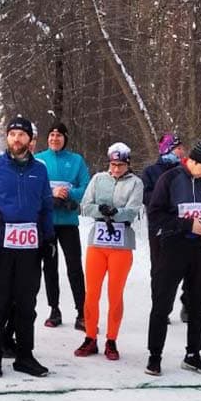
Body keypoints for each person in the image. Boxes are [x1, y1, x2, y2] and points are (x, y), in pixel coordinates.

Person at [0, 116, 55, 378]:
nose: (17, 139)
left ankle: (24, 356)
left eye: (22, 135)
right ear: (7, 138)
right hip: (1, 244)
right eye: (12, 135)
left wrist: (48, 239)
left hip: (30, 248)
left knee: (26, 305)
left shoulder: (40, 170)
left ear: (30, 140)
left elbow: (45, 207)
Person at [145, 139, 201, 376]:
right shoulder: (169, 179)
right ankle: (154, 355)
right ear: (192, 161)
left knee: (199, 304)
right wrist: (187, 225)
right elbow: (155, 215)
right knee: (162, 303)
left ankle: (193, 354)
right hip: (170, 247)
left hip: (198, 249)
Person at [73, 142, 144, 361]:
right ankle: (90, 337)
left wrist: (116, 212)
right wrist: (101, 210)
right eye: (113, 165)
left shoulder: (135, 183)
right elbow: (85, 206)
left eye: (120, 165)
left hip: (121, 244)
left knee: (115, 294)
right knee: (91, 293)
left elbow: (132, 211)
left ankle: (111, 340)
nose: (115, 170)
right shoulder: (98, 179)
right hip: (98, 242)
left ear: (127, 164)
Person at [36, 122, 91, 329]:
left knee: (74, 267)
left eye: (59, 135)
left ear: (65, 138)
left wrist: (68, 194)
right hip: (47, 223)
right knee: (50, 268)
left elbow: (86, 185)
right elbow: (32, 186)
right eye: (51, 135)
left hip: (68, 222)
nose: (55, 139)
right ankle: (54, 310)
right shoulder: (39, 160)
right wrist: (51, 194)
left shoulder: (76, 160)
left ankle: (81, 312)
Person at [143, 132, 191, 321]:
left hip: (182, 226)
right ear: (167, 149)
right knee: (159, 269)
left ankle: (187, 304)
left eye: (182, 148)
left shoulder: (186, 170)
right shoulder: (151, 171)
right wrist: (165, 199)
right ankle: (160, 307)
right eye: (178, 148)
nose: (181, 151)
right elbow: (145, 196)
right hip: (159, 227)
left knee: (188, 266)